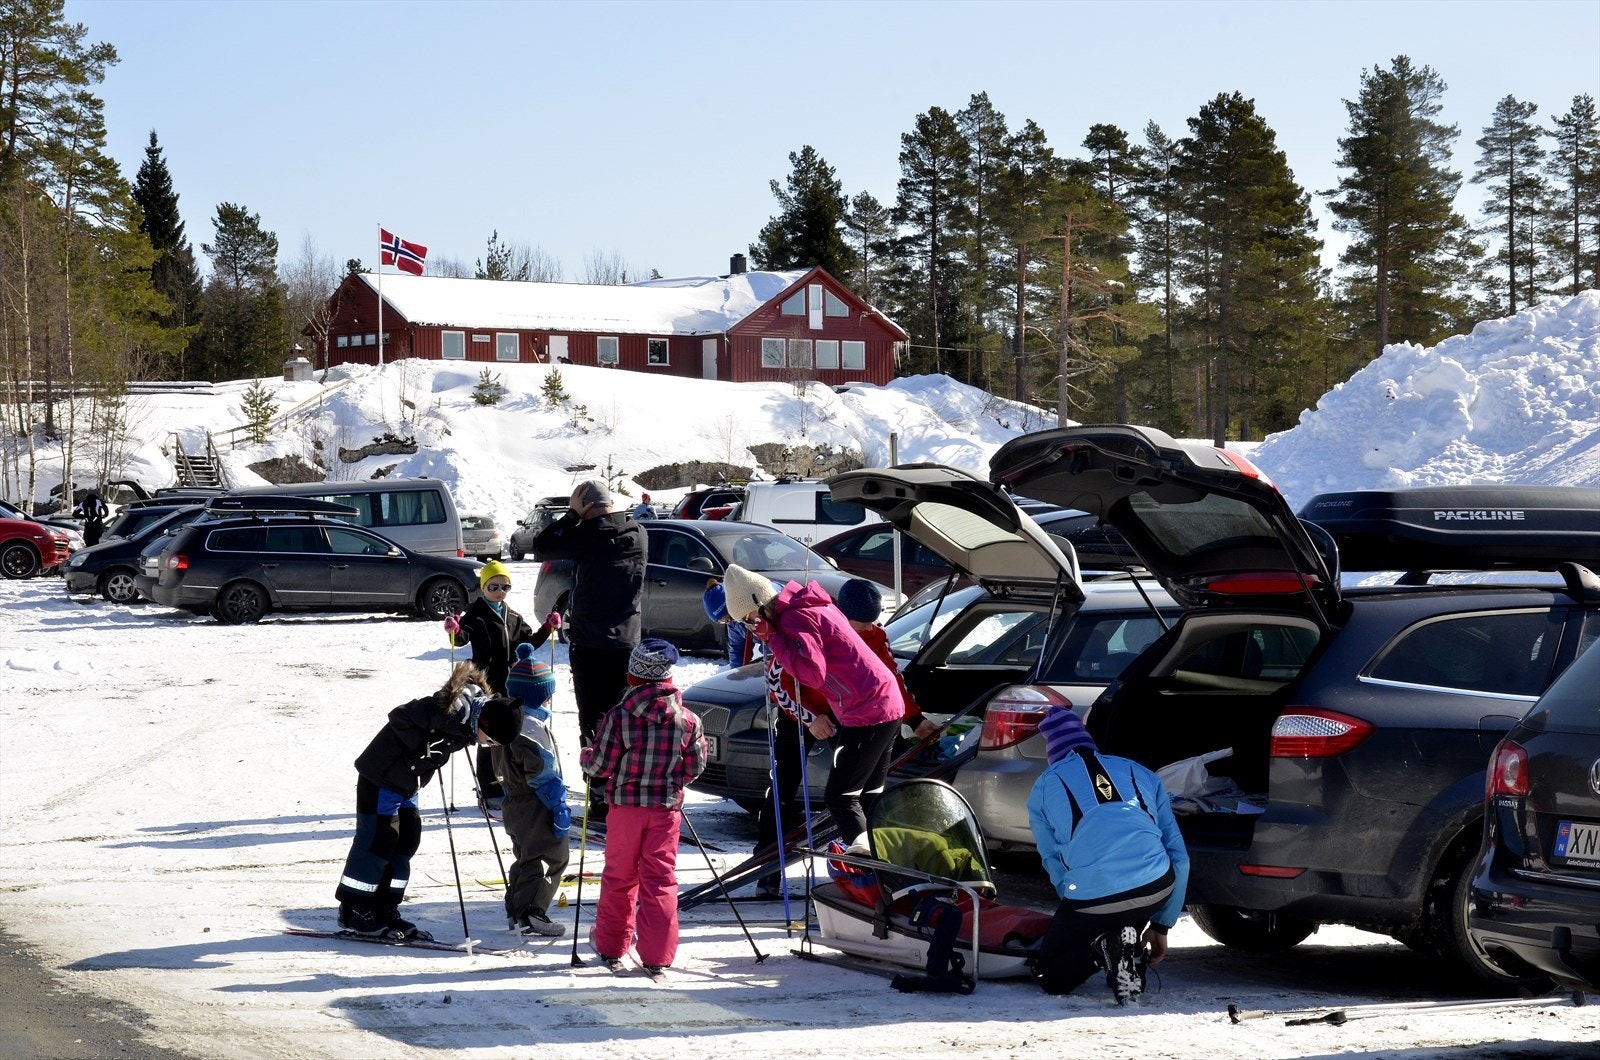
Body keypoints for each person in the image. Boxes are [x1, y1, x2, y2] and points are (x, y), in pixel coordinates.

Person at [334, 662, 523, 941]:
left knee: (408, 837)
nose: (488, 746)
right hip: (382, 776)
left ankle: (386, 906)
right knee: (379, 838)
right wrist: (423, 744)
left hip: (407, 783)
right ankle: (355, 907)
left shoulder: (468, 723)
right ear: (484, 723)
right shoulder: (446, 710)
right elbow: (399, 717)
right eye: (491, 740)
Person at [722, 563, 901, 850]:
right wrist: (808, 717)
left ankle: (872, 873)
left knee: (842, 798)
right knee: (865, 793)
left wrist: (773, 638)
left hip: (864, 709)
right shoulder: (805, 608)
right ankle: (882, 867)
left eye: (748, 620)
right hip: (873, 705)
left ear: (758, 606)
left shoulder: (793, 620)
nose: (749, 627)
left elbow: (812, 674)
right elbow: (780, 682)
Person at [1025, 705, 1189, 1005]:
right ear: (1089, 741)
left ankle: (1103, 946)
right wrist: (1162, 925)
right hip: (1154, 887)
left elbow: (1052, 859)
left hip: (1093, 894)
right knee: (1127, 907)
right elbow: (1180, 857)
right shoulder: (1140, 772)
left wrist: (1073, 901)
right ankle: (1127, 952)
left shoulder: (1044, 787)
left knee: (1051, 975)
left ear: (1052, 754)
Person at [579, 638, 708, 975]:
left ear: (633, 676)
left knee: (620, 875)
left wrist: (586, 757)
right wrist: (672, 776)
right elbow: (695, 768)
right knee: (660, 880)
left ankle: (611, 944)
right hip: (665, 811)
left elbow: (600, 767)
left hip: (625, 809)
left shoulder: (619, 717)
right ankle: (657, 953)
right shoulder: (687, 720)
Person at [530, 479, 646, 822]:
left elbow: (541, 545)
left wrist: (571, 515)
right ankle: (624, 786)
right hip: (627, 640)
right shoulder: (639, 532)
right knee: (624, 717)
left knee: (593, 720)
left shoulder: (588, 533)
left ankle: (599, 792)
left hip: (591, 642)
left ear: (586, 506)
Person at [443, 558, 560, 812]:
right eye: (493, 586)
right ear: (483, 587)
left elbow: (527, 643)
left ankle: (506, 780)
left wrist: (548, 628)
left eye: (504, 587)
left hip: (509, 686)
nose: (499, 591)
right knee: (487, 737)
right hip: (485, 685)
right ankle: (488, 787)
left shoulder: (514, 617)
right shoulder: (476, 614)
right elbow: (461, 638)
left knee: (508, 735)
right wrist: (454, 630)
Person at [495, 644, 572, 937]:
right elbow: (542, 773)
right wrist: (558, 806)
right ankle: (531, 913)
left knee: (527, 855)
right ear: (542, 695)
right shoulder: (531, 728)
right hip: (535, 802)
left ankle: (517, 907)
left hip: (514, 802)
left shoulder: (506, 720)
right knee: (550, 856)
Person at [835, 579, 939, 742]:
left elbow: (891, 679)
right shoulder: (823, 637)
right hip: (817, 718)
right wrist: (813, 718)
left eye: (872, 622)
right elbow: (788, 683)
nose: (869, 629)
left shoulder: (876, 637)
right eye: (863, 625)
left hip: (861, 720)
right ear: (843, 616)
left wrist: (915, 720)